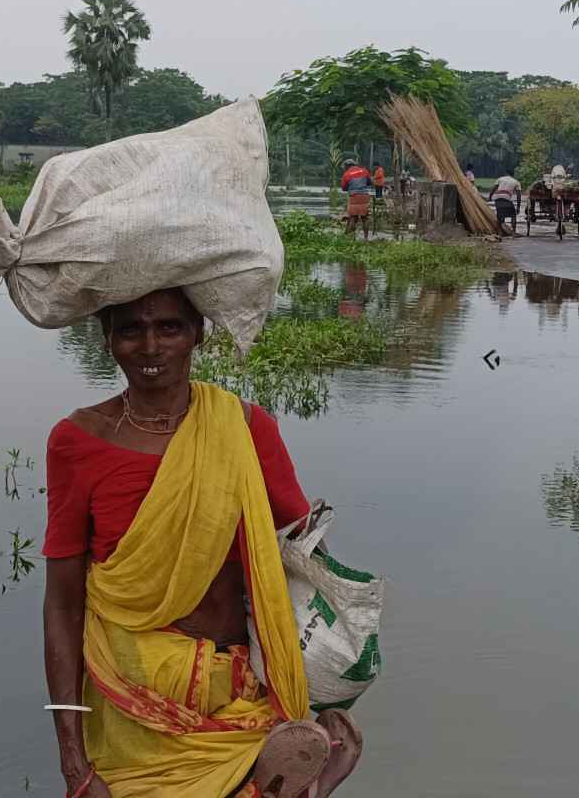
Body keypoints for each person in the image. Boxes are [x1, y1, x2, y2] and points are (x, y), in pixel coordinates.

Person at [42, 290, 364, 798]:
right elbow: (62, 602)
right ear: (107, 341)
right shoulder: (77, 442)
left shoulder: (245, 429)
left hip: (237, 695)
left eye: (169, 327)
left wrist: (325, 678)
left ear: (198, 333)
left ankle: (302, 779)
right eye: (130, 330)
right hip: (130, 704)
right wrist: (72, 758)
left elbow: (301, 563)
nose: (151, 346)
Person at [338, 158, 372, 239]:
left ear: (347, 166)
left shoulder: (346, 174)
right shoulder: (364, 171)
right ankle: (366, 238)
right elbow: (369, 182)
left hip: (354, 197)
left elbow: (344, 188)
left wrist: (351, 187)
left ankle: (352, 238)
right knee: (365, 218)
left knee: (353, 217)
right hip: (364, 196)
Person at [489, 169, 521, 236]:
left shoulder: (500, 179)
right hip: (506, 198)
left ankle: (499, 232)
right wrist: (518, 207)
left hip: (497, 198)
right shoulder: (516, 182)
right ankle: (513, 232)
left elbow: (493, 188)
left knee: (500, 215)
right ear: (513, 175)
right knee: (513, 215)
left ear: (506, 173)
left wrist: (490, 197)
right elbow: (519, 196)